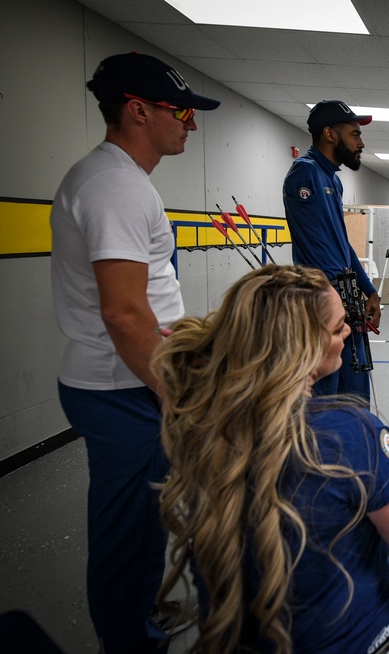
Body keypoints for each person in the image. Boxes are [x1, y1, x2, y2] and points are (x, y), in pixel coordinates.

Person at [154, 264, 389, 654]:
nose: (348, 330)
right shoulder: (349, 432)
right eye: (336, 328)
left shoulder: (207, 429)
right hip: (359, 643)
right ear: (303, 346)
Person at [49, 52, 220, 652]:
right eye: (181, 112)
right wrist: (177, 394)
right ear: (138, 110)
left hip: (132, 383)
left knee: (148, 520)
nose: (190, 125)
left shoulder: (122, 182)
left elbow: (145, 298)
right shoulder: (114, 186)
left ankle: (144, 614)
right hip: (124, 390)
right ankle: (131, 640)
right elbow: (123, 312)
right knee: (125, 533)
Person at [283, 100, 381, 401]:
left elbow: (340, 243)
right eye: (354, 134)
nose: (360, 143)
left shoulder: (332, 180)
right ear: (329, 134)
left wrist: (369, 291)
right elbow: (319, 252)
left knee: (355, 392)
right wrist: (334, 298)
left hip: (345, 299)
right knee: (325, 392)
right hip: (325, 301)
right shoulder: (305, 173)